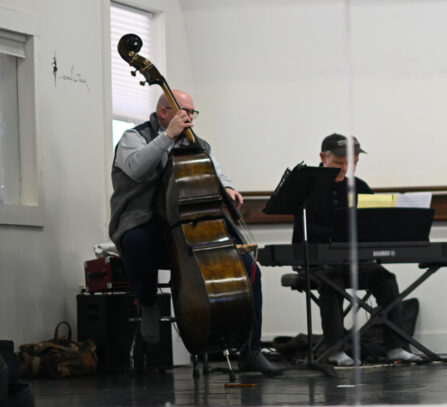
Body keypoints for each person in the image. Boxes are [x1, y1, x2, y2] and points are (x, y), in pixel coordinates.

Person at [109, 90, 283, 376]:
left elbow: (216, 173)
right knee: (135, 240)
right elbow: (137, 169)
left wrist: (227, 188)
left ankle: (251, 349)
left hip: (189, 223)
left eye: (192, 112)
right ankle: (149, 303)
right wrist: (166, 138)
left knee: (251, 269)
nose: (189, 117)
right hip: (145, 219)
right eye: (183, 110)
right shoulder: (133, 137)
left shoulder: (198, 143)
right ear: (164, 112)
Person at [290, 134, 423, 366]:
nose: (344, 168)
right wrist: (335, 233)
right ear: (323, 157)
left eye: (350, 163)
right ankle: (335, 350)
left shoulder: (360, 187)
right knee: (332, 282)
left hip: (355, 263)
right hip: (319, 264)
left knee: (385, 278)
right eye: (339, 163)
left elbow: (373, 226)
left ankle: (396, 346)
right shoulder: (307, 190)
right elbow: (303, 232)